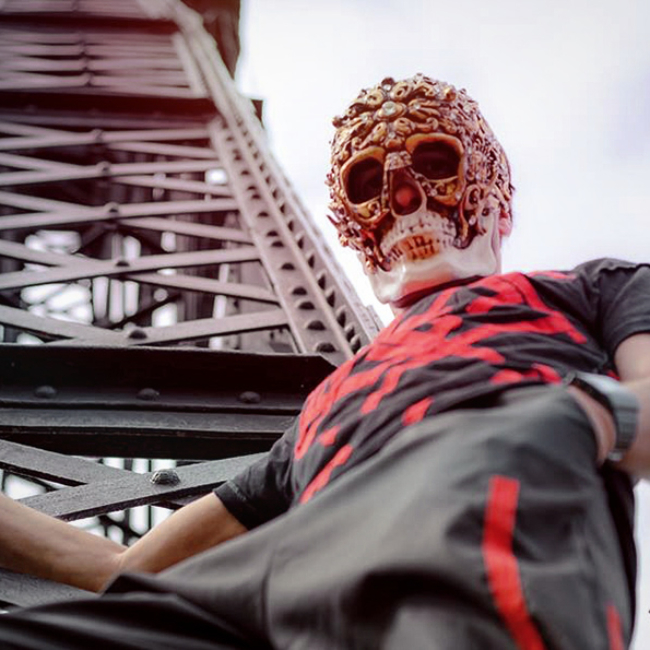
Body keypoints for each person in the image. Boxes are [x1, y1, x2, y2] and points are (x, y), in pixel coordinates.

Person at [0, 73, 649, 649]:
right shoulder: (321, 412)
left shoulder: (591, 289)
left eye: (434, 163)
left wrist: (579, 417)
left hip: (473, 507)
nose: (403, 199)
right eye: (369, 183)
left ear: (493, 189)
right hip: (289, 580)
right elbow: (124, 571)